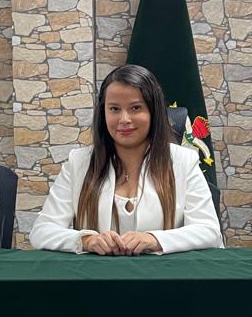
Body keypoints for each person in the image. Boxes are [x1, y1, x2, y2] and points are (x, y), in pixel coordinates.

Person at [30, 64, 223, 254]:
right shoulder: (79, 162)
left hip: (162, 272)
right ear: (103, 113)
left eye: (136, 108)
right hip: (96, 272)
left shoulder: (184, 161)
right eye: (114, 109)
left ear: (153, 112)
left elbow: (209, 232)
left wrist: (155, 239)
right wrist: (86, 240)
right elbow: (42, 231)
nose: (124, 119)